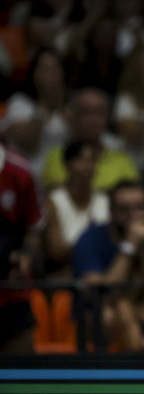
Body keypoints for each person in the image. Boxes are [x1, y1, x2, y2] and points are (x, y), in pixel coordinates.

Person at [72, 180, 144, 285]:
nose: (133, 215)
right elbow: (99, 293)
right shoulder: (90, 239)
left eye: (140, 208)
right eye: (123, 209)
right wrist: (129, 245)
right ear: (111, 211)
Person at [42, 87, 139, 190]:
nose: (93, 119)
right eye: (85, 111)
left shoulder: (122, 161)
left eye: (99, 112)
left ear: (108, 119)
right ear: (73, 117)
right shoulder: (57, 157)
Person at [0, 141, 45, 353]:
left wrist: (26, 255)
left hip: (11, 287)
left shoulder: (20, 171)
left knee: (20, 364)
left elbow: (34, 228)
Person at [44, 140, 109, 277]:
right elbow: (55, 251)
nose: (88, 167)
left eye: (92, 161)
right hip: (65, 273)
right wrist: (91, 245)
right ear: (67, 164)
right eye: (82, 160)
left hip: (101, 272)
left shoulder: (104, 200)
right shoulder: (54, 201)